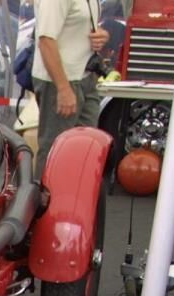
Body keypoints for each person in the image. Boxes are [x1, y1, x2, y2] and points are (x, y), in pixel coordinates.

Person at [31, 0, 109, 177]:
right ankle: (45, 202)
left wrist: (100, 35)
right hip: (61, 81)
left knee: (85, 150)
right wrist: (63, 89)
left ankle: (73, 200)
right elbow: (46, 41)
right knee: (54, 150)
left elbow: (76, 26)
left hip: (85, 77)